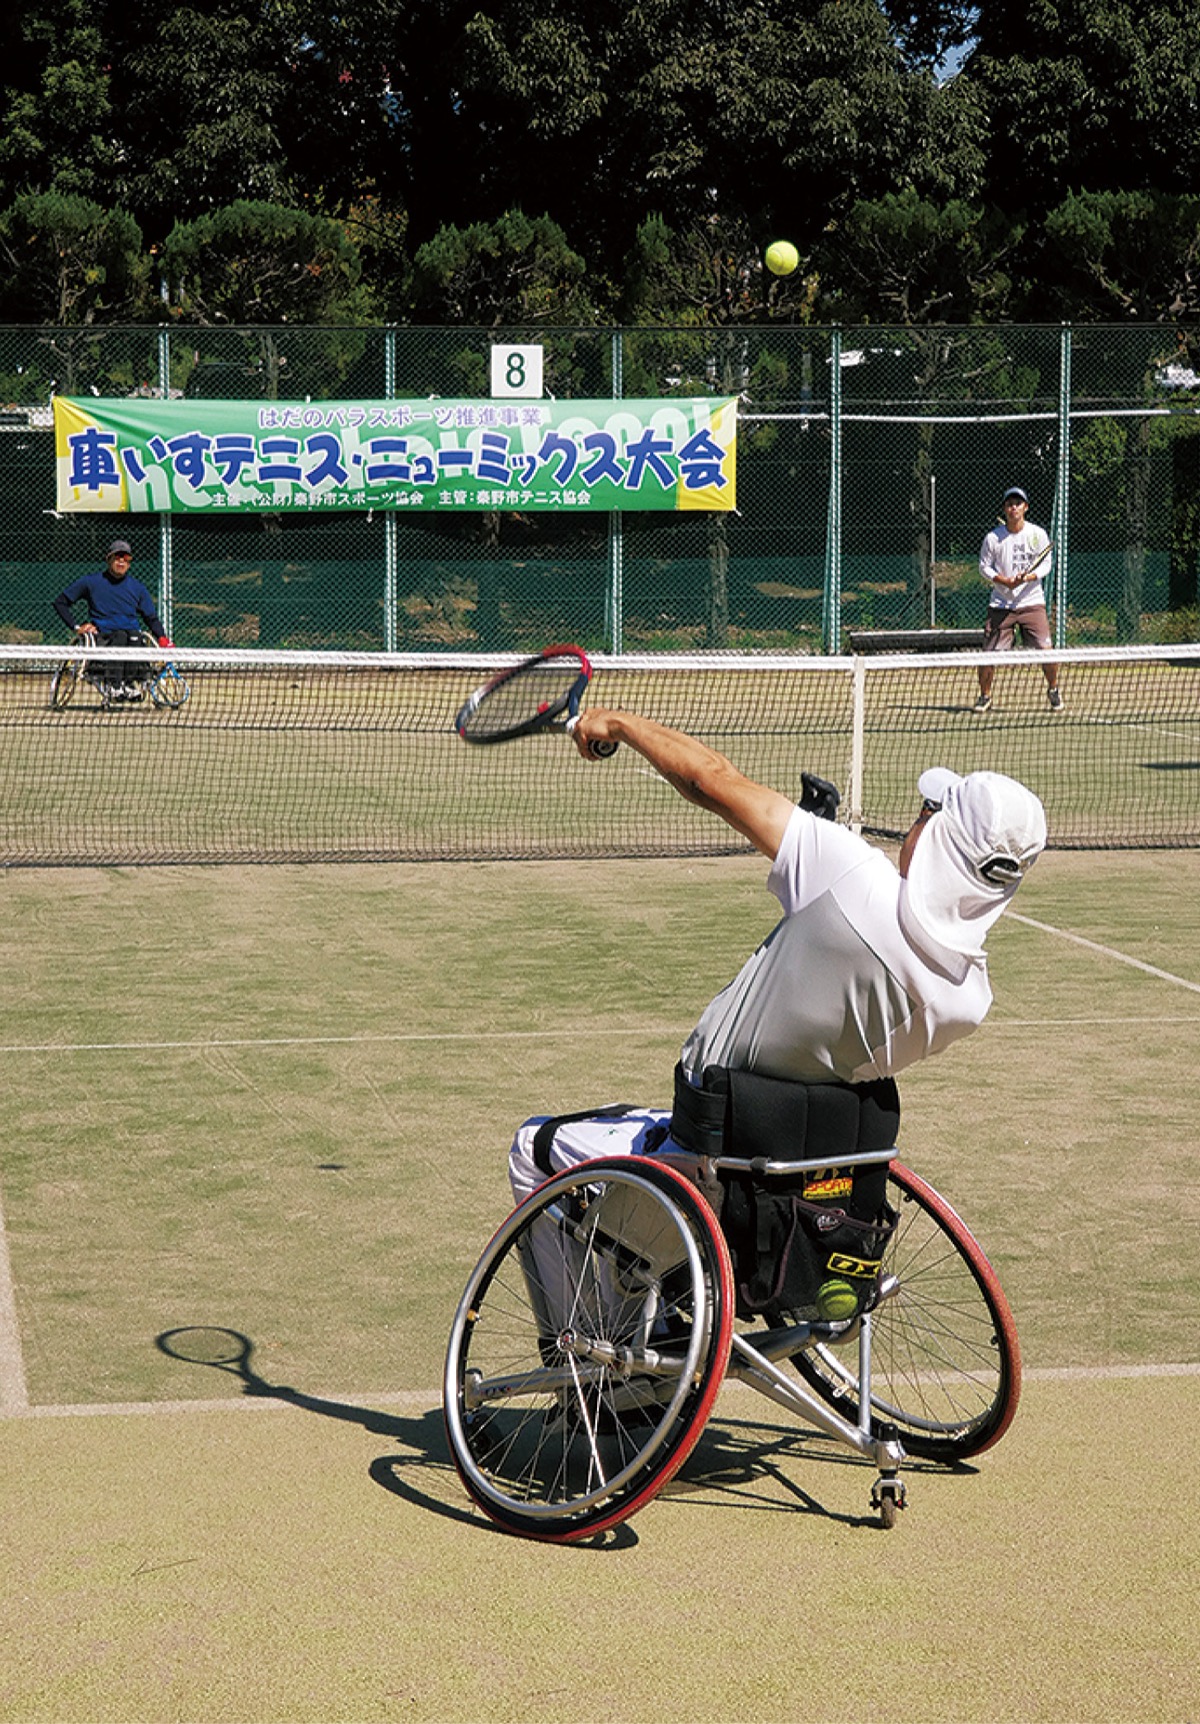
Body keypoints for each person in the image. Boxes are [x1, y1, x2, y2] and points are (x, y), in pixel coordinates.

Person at [508, 710, 1047, 1216]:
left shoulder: (848, 873)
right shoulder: (967, 1003)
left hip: (706, 1148)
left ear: (937, 837)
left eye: (929, 812)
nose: (918, 820)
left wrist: (618, 723)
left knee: (531, 1146)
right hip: (803, 1186)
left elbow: (708, 779)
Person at [975, 486, 1063, 713]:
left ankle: (1053, 689)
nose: (1013, 508)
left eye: (1018, 503)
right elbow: (984, 567)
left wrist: (1029, 577)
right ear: (1005, 509)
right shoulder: (993, 538)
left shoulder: (1038, 534)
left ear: (1025, 508)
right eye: (1009, 504)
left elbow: (1046, 564)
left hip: (1032, 603)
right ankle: (985, 696)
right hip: (1001, 605)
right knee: (988, 655)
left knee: (1046, 650)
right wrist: (1003, 580)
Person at [52, 540, 171, 701]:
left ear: (129, 563)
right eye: (117, 557)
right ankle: (114, 685)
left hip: (132, 637)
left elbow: (151, 618)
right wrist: (77, 627)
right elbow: (60, 602)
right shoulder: (91, 582)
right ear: (109, 559)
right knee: (120, 636)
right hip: (103, 638)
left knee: (134, 636)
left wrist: (162, 638)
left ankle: (129, 684)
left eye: (126, 558)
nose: (121, 561)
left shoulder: (138, 588)